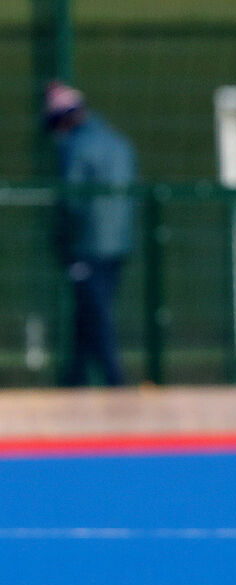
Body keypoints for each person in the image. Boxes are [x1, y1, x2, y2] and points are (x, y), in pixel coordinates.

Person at [45, 81, 138, 388]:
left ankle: (116, 383)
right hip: (119, 242)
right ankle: (74, 380)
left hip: (87, 244)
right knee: (88, 314)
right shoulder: (118, 141)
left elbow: (70, 201)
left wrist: (63, 241)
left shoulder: (74, 147)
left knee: (96, 316)